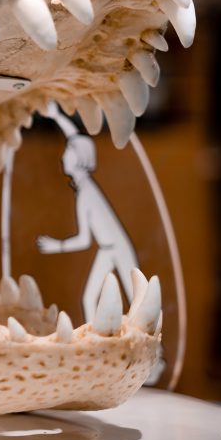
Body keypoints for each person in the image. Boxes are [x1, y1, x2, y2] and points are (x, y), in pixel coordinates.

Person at [36, 103, 137, 321]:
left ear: (79, 158)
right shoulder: (84, 185)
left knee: (138, 303)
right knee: (89, 299)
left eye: (68, 152)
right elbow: (74, 136)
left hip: (117, 249)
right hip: (107, 250)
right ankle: (93, 343)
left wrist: (57, 245)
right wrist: (56, 116)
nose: (63, 156)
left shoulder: (86, 194)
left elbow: (84, 241)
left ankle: (157, 355)